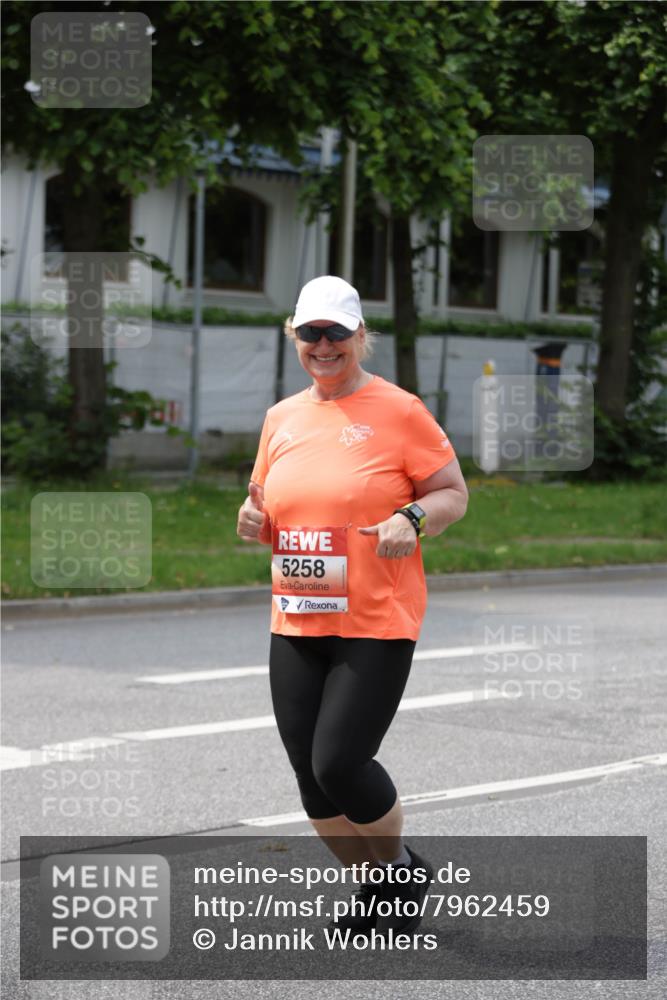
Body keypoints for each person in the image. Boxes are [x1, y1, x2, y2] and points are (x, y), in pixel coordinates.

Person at [237, 275, 468, 937]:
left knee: (338, 762)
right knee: (312, 785)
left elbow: (451, 491)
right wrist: (252, 517)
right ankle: (375, 888)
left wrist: (414, 517)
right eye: (310, 333)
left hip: (374, 619)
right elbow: (262, 499)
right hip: (296, 617)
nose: (323, 344)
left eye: (336, 332)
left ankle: (399, 867)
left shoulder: (399, 410)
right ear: (295, 339)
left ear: (359, 337)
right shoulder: (281, 417)